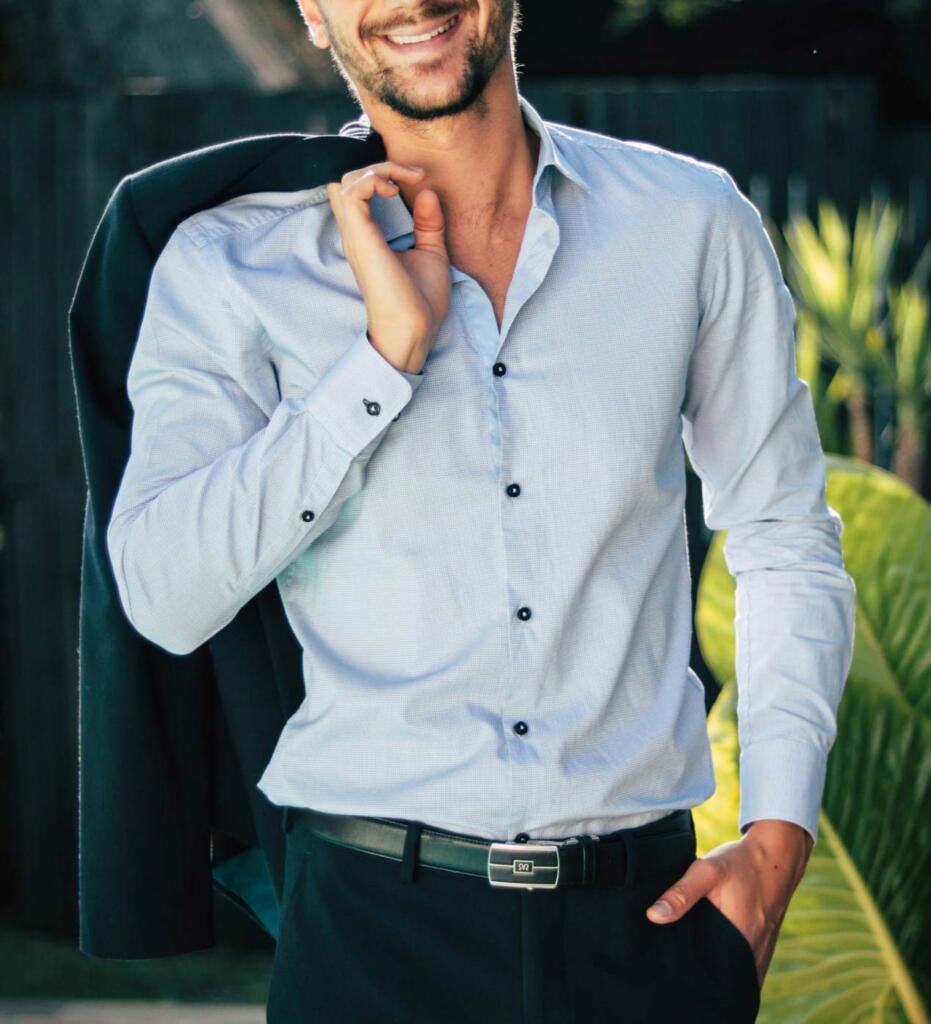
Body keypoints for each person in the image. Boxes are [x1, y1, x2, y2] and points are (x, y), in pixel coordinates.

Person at [104, 0, 857, 1020]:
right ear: (311, 13)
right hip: (370, 937)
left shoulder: (690, 222)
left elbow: (783, 535)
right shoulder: (229, 265)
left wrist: (777, 836)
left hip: (644, 933)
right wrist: (380, 363)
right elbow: (162, 596)